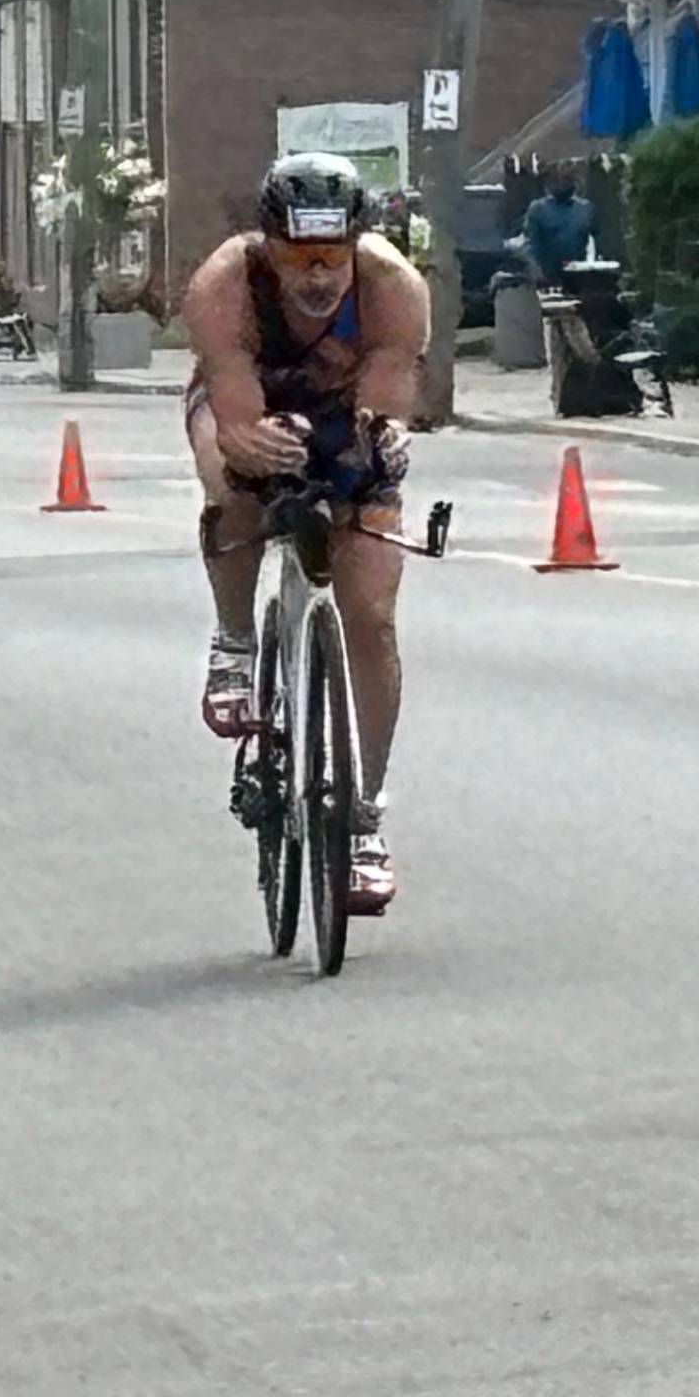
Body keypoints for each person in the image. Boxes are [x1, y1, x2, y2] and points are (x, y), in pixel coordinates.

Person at [181, 151, 430, 913]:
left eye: (332, 256)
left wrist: (380, 443)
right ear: (267, 245)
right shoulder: (224, 286)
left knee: (374, 617)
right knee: (232, 477)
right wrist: (249, 442)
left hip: (342, 407)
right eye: (299, 256)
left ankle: (364, 819)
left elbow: (385, 405)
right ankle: (234, 643)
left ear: (356, 243)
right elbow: (231, 405)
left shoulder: (393, 289)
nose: (318, 276)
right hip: (252, 404)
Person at [514, 160, 595, 288]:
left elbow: (594, 239)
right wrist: (537, 271)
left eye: (568, 179)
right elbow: (530, 243)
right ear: (550, 183)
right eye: (559, 180)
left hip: (578, 275)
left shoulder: (584, 208)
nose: (563, 184)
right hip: (546, 276)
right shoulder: (539, 208)